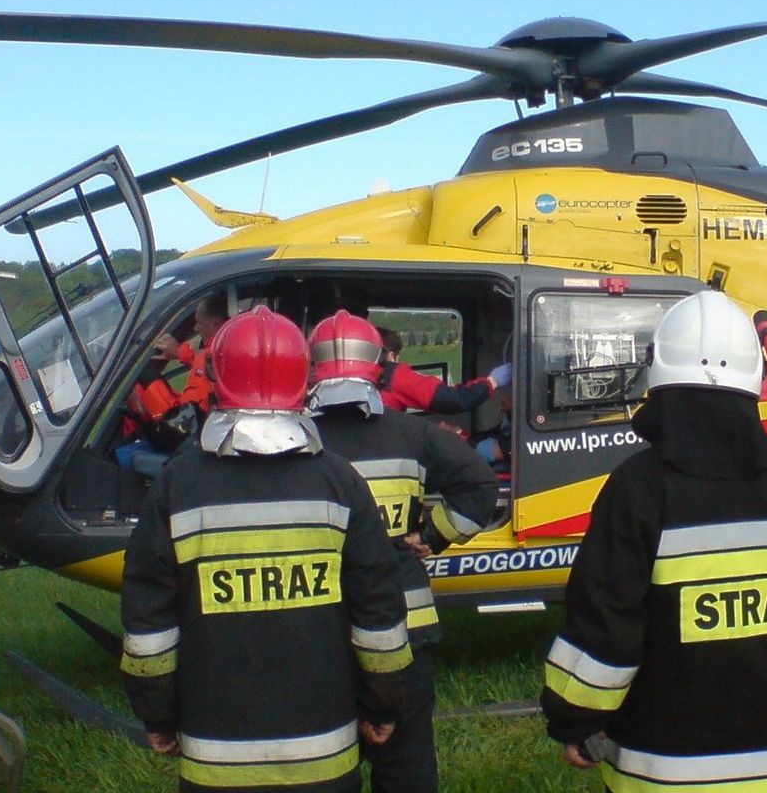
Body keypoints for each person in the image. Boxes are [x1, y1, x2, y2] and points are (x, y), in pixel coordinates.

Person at [540, 290, 767, 793]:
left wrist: (576, 722)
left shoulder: (637, 489)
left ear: (659, 378)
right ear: (753, 378)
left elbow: (605, 623)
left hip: (657, 772)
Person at [120, 305, 413, 793]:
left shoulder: (177, 485)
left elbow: (150, 624)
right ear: (303, 378)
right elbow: (379, 614)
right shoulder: (341, 482)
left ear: (217, 378)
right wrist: (383, 706)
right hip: (325, 755)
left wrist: (157, 716)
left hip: (214, 758)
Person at [307, 310, 502, 793]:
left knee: (326, 756)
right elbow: (479, 485)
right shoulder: (413, 435)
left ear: (312, 369)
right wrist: (434, 535)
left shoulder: (295, 443)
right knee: (407, 759)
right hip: (405, 627)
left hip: (321, 630)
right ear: (379, 366)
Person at [367, 320, 511, 414]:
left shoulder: (353, 376)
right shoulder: (392, 376)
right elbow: (454, 400)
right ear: (391, 356)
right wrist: (492, 381)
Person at [153, 293, 229, 414]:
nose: (195, 328)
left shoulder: (212, 358)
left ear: (215, 323)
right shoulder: (227, 349)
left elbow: (189, 415)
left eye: (199, 322)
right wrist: (180, 353)